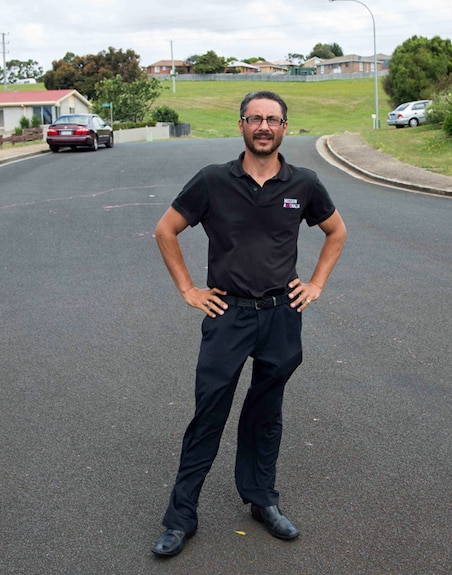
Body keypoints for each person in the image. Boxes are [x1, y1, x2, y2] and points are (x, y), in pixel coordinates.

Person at [152, 90, 347, 557]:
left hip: (282, 315)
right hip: (228, 315)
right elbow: (165, 230)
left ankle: (262, 500)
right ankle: (181, 519)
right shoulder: (212, 181)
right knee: (208, 414)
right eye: (255, 119)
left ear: (284, 128)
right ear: (241, 125)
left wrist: (316, 284)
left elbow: (336, 231)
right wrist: (188, 290)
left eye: (272, 120)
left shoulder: (304, 183)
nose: (264, 126)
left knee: (266, 415)